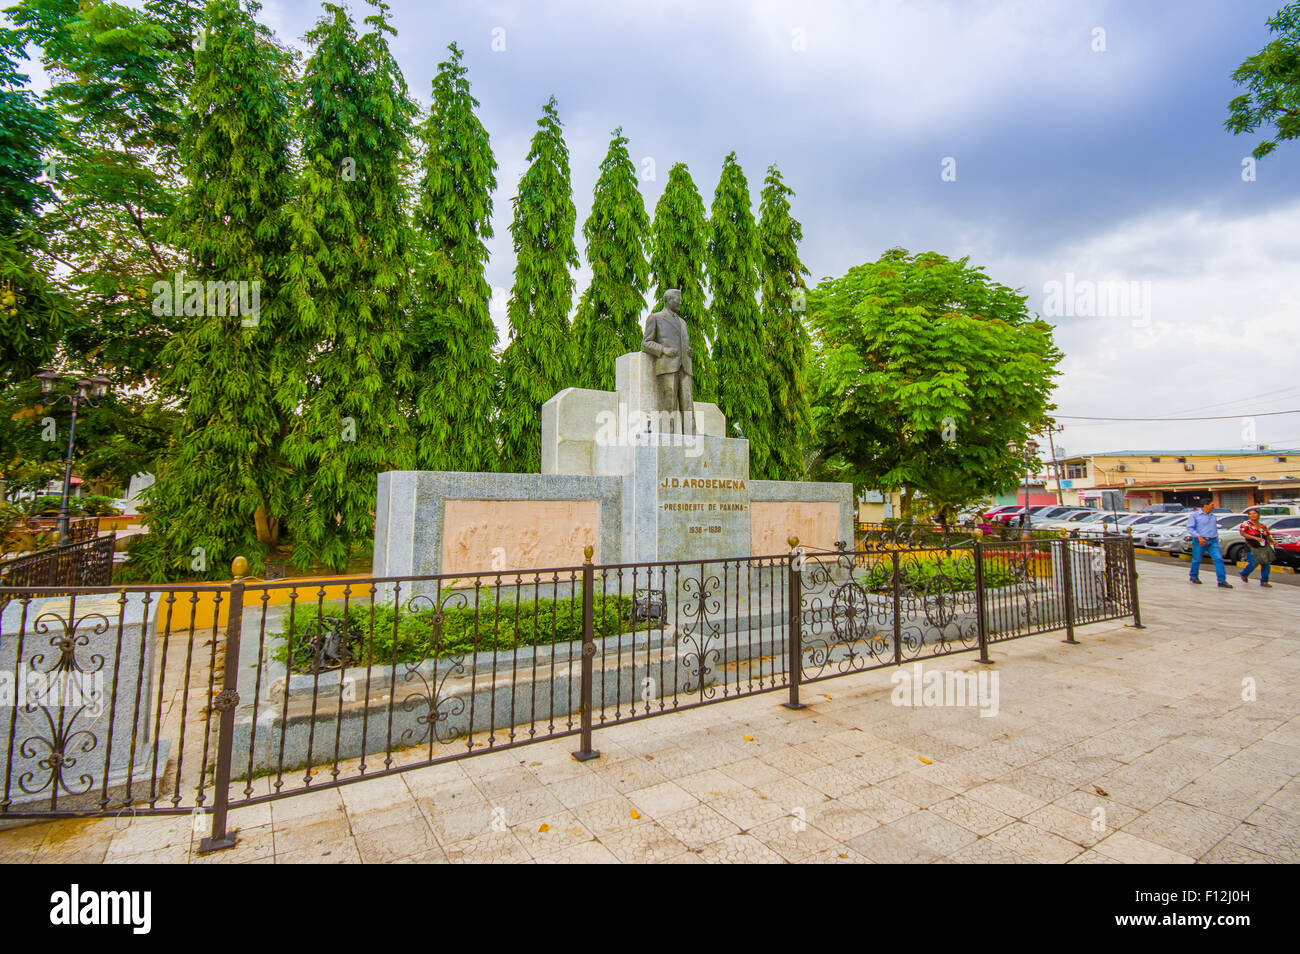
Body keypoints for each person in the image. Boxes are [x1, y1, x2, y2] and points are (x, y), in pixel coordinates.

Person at [1186, 499, 1231, 588]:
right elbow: (1190, 528)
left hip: (1213, 541)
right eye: (1212, 505)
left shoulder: (1212, 516)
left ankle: (1222, 581)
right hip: (1200, 541)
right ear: (1205, 505)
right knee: (1197, 560)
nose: (1213, 507)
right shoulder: (1195, 515)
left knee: (1219, 559)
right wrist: (1198, 537)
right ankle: (1194, 576)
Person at [1238, 507, 1275, 588]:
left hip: (1263, 547)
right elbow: (1243, 533)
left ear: (1258, 515)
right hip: (1251, 546)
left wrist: (1273, 541)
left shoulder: (1263, 526)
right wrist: (1255, 538)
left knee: (1266, 564)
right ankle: (1244, 573)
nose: (1253, 515)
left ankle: (1264, 581)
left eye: (1254, 513)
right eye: (1250, 514)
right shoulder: (1246, 524)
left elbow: (1268, 535)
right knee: (1253, 563)